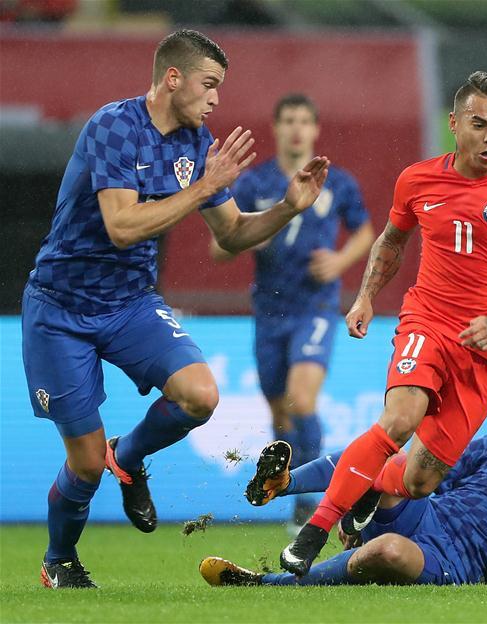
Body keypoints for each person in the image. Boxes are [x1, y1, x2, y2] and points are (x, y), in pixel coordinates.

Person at [21, 29, 329, 589]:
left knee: (200, 395)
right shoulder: (114, 126)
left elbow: (231, 233)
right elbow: (121, 226)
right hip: (61, 309)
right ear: (172, 78)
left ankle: (128, 456)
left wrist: (288, 207)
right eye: (208, 85)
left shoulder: (196, 142)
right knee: (84, 463)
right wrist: (202, 188)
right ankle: (58, 559)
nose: (215, 98)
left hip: (130, 303)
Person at [277, 70, 487, 577]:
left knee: (419, 480)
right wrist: (365, 297)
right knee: (399, 420)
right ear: (454, 123)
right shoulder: (417, 179)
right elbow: (392, 241)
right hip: (427, 321)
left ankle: (369, 483)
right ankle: (315, 529)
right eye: (480, 124)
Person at [201, 391, 487, 587]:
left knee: (388, 552)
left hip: (462, 566)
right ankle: (284, 484)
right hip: (429, 515)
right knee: (391, 461)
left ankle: (268, 582)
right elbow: (430, 479)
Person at [210, 93, 373, 527]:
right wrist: (246, 238)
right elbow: (218, 247)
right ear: (276, 128)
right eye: (289, 121)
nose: (297, 128)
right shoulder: (254, 184)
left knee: (302, 400)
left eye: (304, 120)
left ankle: (314, 502)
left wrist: (339, 261)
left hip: (315, 306)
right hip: (269, 311)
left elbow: (365, 232)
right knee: (281, 414)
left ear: (315, 129)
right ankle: (289, 489)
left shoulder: (338, 183)